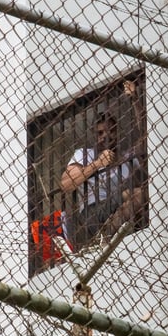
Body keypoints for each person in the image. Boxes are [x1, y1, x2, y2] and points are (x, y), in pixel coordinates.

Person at [60, 81, 145, 243]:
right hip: (91, 214)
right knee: (135, 194)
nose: (105, 136)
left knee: (138, 195)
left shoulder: (128, 156)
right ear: (95, 135)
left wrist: (135, 100)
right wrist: (97, 164)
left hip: (119, 209)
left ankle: (106, 238)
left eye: (111, 131)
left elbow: (149, 136)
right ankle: (106, 238)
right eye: (100, 133)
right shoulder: (85, 155)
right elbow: (65, 185)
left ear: (117, 132)